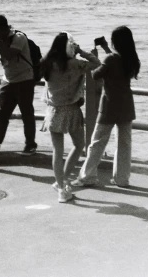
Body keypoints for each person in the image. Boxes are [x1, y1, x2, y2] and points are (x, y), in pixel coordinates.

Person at [72, 25, 141, 188]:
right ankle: (122, 179)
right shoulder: (131, 59)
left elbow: (96, 74)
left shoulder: (111, 60)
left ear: (115, 42)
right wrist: (105, 48)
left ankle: (87, 176)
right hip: (126, 106)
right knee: (124, 144)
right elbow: (115, 63)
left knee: (97, 143)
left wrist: (94, 57)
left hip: (110, 106)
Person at [40, 32, 101, 203]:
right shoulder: (75, 64)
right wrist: (81, 51)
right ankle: (63, 183)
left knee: (57, 151)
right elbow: (96, 63)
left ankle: (61, 184)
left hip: (52, 110)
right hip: (71, 109)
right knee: (79, 145)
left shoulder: (47, 63)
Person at [0, 14, 37, 154]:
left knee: (27, 114)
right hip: (8, 80)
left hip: (24, 80)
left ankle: (30, 145)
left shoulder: (19, 37)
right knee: (1, 115)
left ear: (3, 28)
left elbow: (9, 55)